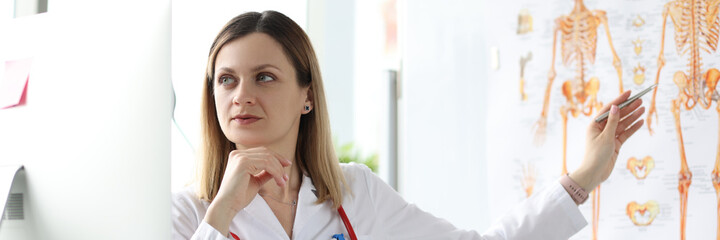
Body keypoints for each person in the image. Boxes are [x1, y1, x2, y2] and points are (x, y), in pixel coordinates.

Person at [172, 10, 646, 240]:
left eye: (265, 77)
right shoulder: (186, 214)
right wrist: (225, 206)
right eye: (226, 80)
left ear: (307, 96)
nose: (241, 96)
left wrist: (585, 176)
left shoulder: (354, 192)